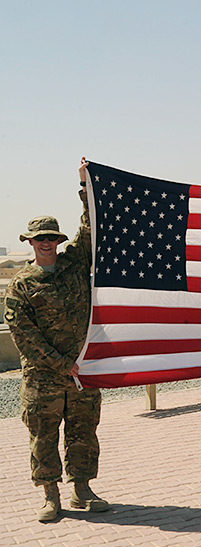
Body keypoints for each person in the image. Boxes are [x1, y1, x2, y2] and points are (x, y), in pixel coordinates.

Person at [4, 159, 108, 522]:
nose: (46, 244)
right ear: (30, 242)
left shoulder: (75, 265)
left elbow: (91, 225)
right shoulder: (21, 285)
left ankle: (82, 489)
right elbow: (26, 338)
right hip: (45, 378)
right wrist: (65, 363)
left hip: (81, 374)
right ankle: (51, 496)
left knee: (83, 434)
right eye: (40, 239)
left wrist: (85, 185)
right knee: (44, 438)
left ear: (58, 242)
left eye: (51, 238)